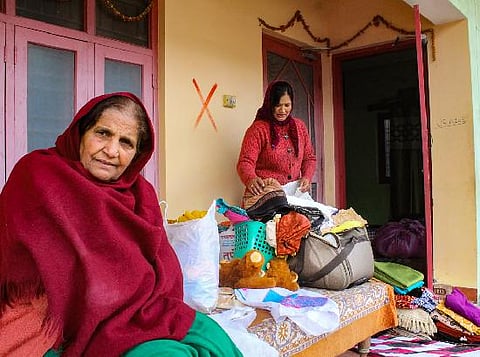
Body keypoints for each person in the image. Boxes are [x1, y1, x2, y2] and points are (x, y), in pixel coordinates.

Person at [0, 92, 242, 357]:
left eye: (126, 142)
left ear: (137, 153)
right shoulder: (38, 173)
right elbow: (18, 261)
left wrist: (137, 304)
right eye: (102, 133)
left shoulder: (141, 194)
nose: (112, 151)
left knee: (215, 339)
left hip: (139, 312)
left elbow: (163, 269)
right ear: (82, 131)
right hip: (59, 320)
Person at [237, 80, 317, 199]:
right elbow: (245, 162)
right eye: (278, 105)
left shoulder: (300, 127)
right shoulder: (258, 129)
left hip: (294, 195)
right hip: (265, 196)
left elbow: (309, 157)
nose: (283, 110)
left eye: (287, 105)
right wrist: (251, 179)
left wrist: (307, 176)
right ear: (270, 104)